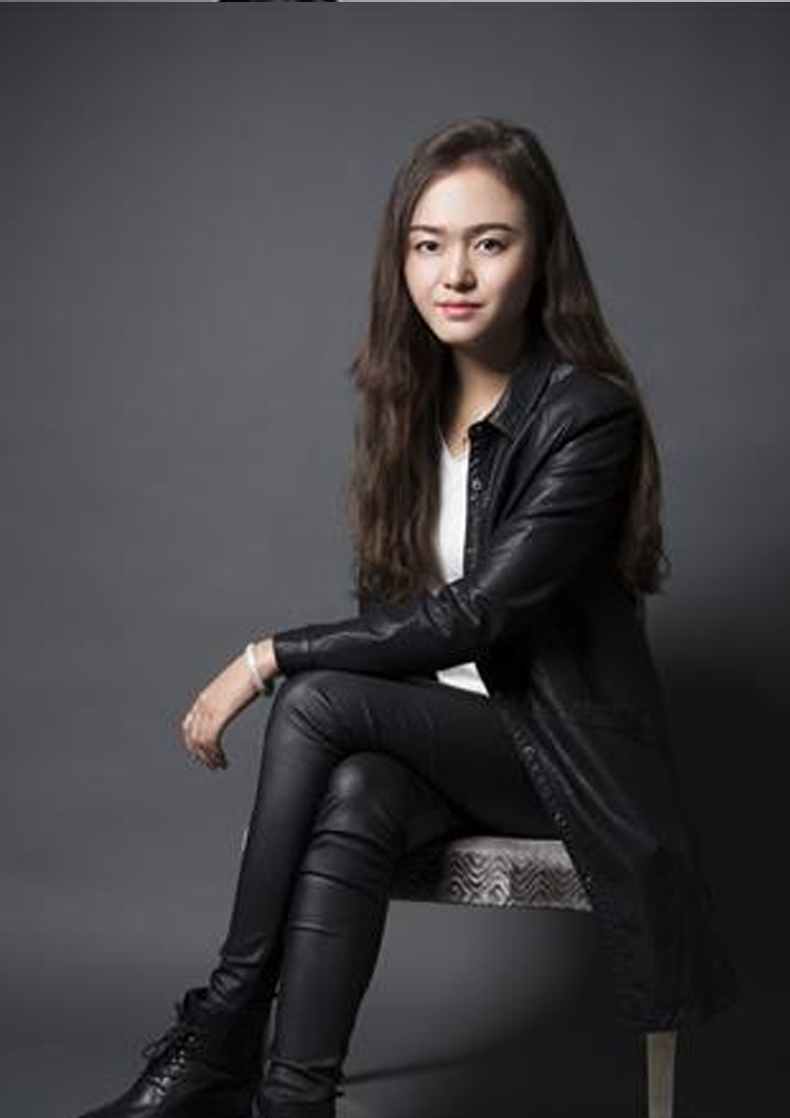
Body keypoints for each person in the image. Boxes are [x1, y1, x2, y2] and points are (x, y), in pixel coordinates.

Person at [73, 116, 739, 1118]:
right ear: (402, 261)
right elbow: (400, 624)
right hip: (446, 742)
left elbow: (476, 615)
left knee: (311, 699)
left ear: (539, 257)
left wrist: (265, 655)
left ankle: (223, 1025)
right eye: (428, 244)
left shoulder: (585, 416)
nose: (454, 273)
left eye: (489, 242)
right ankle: (292, 1098)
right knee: (355, 792)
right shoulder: (407, 413)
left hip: (559, 755)